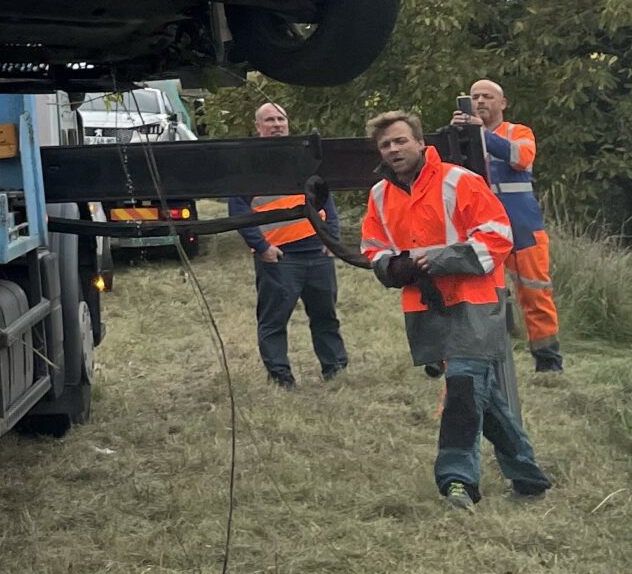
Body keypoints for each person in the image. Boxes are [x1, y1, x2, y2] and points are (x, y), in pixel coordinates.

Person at [362, 110, 550, 509]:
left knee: (463, 385)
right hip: (426, 306)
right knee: (483, 395)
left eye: (400, 141)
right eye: (385, 145)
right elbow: (372, 247)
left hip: (475, 302)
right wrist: (392, 267)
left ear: (418, 141)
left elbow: (499, 236)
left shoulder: (459, 180)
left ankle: (456, 481)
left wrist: (444, 259)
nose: (393, 149)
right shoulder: (379, 194)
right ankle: (528, 476)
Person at [227, 99, 347, 388]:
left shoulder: (304, 160)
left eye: (281, 120)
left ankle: (336, 371)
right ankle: (281, 377)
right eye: (269, 121)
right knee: (274, 321)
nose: (277, 125)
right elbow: (237, 208)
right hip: (278, 258)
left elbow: (325, 199)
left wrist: (332, 239)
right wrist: (262, 246)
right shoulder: (250, 165)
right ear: (258, 128)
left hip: (317, 254)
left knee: (325, 317)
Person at [455, 78, 562, 374]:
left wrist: (479, 133)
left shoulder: (519, 132)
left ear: (502, 103)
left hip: (523, 225)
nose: (480, 101)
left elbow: (520, 158)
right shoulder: (463, 134)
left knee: (535, 291)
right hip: (481, 225)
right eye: (475, 96)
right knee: (479, 293)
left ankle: (548, 363)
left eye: (487, 96)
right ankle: (478, 358)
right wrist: (458, 134)